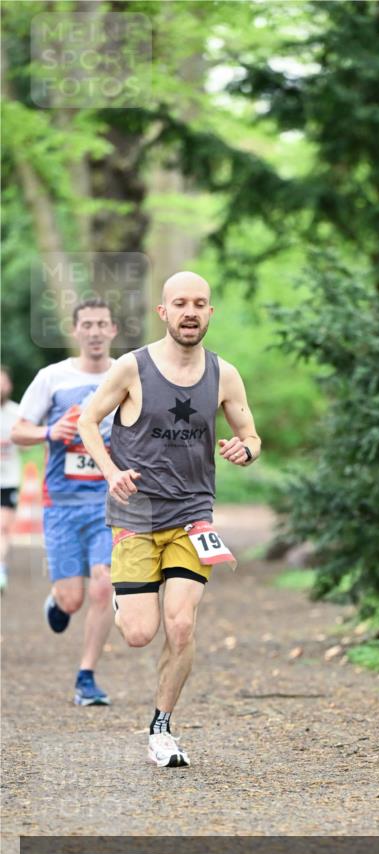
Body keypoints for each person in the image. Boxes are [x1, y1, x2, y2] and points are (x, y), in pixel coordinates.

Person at [78, 271, 261, 767]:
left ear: (210, 312)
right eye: (180, 303)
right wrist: (111, 471)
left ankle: (161, 728)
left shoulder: (224, 374)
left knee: (180, 625)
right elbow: (88, 420)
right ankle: (125, 596)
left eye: (200, 303)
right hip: (135, 515)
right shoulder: (132, 368)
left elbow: (251, 435)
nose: (190, 312)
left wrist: (245, 450)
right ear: (163, 312)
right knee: (139, 633)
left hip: (192, 516)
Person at [11, 298, 117, 705]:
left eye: (101, 324)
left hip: (107, 503)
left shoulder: (127, 375)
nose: (94, 331)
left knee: (104, 586)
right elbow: (19, 431)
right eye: (87, 324)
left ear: (113, 330)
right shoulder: (52, 377)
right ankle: (57, 600)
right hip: (62, 505)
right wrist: (50, 431)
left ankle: (86, 676)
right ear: (75, 331)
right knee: (73, 599)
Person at [0, 366, 21, 590]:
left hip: (8, 482)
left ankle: (0, 568)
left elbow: (28, 443)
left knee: (2, 527)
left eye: (3, 382)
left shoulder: (17, 413)